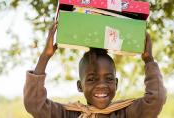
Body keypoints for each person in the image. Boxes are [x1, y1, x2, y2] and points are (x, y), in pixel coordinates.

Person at [24, 22, 166, 118]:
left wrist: (149, 60)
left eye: (109, 79)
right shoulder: (69, 114)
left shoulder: (125, 113)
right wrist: (45, 57)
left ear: (116, 83)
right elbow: (34, 104)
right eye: (92, 79)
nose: (102, 85)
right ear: (80, 86)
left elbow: (155, 100)